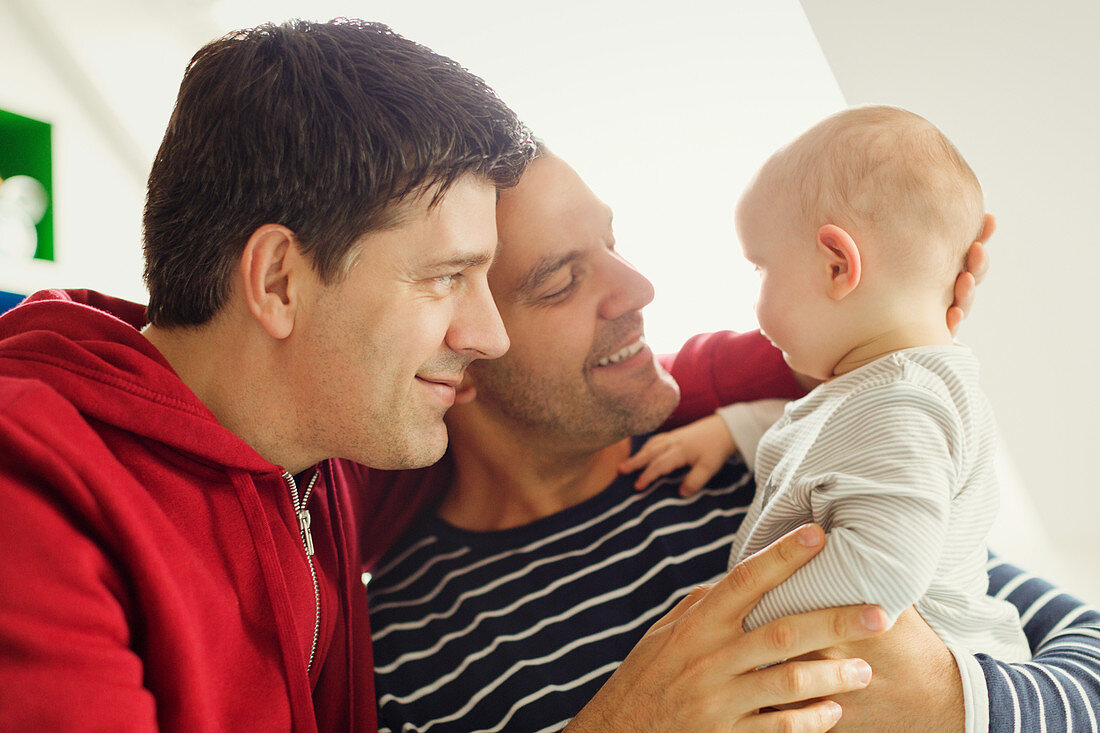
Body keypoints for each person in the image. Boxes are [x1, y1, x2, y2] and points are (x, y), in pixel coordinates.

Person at [365, 147, 1100, 732]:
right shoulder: (400, 641)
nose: (638, 287)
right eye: (562, 281)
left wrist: (948, 704)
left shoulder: (769, 463)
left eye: (614, 244)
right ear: (456, 351)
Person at [0, 19, 533, 731]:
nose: (490, 336)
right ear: (280, 280)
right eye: (445, 277)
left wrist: (728, 414)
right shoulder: (30, 495)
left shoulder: (325, 443)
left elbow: (574, 395)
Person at [625, 106, 1031, 661]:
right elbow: (829, 434)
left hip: (920, 685)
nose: (756, 298)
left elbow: (881, 569)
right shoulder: (886, 391)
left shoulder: (903, 405)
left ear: (837, 265)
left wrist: (733, 627)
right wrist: (732, 427)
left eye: (760, 269)